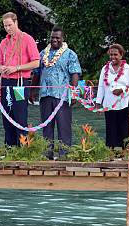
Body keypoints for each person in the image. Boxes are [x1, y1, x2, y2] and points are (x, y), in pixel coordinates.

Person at [30, 26, 81, 159]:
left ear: (62, 38)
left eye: (57, 37)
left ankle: (64, 155)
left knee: (63, 126)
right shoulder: (42, 54)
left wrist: (74, 93)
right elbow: (36, 73)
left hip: (62, 96)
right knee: (46, 126)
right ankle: (47, 154)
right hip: (45, 95)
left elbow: (75, 74)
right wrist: (32, 90)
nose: (54, 40)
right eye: (52, 37)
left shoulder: (70, 54)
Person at [0, 12, 40, 146]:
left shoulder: (27, 39)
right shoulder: (3, 42)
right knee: (6, 115)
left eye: (10, 25)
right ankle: (9, 148)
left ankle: (23, 150)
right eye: (5, 26)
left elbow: (36, 62)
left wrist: (16, 68)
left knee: (20, 116)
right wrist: (1, 68)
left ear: (16, 23)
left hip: (20, 82)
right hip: (5, 82)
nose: (8, 28)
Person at [95, 44, 129, 148]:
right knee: (110, 128)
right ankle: (110, 152)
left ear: (121, 55)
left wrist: (122, 89)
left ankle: (125, 152)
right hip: (108, 104)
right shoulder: (104, 69)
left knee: (124, 128)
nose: (113, 57)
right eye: (111, 55)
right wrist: (98, 103)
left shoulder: (128, 69)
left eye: (115, 54)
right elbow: (101, 86)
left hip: (123, 104)